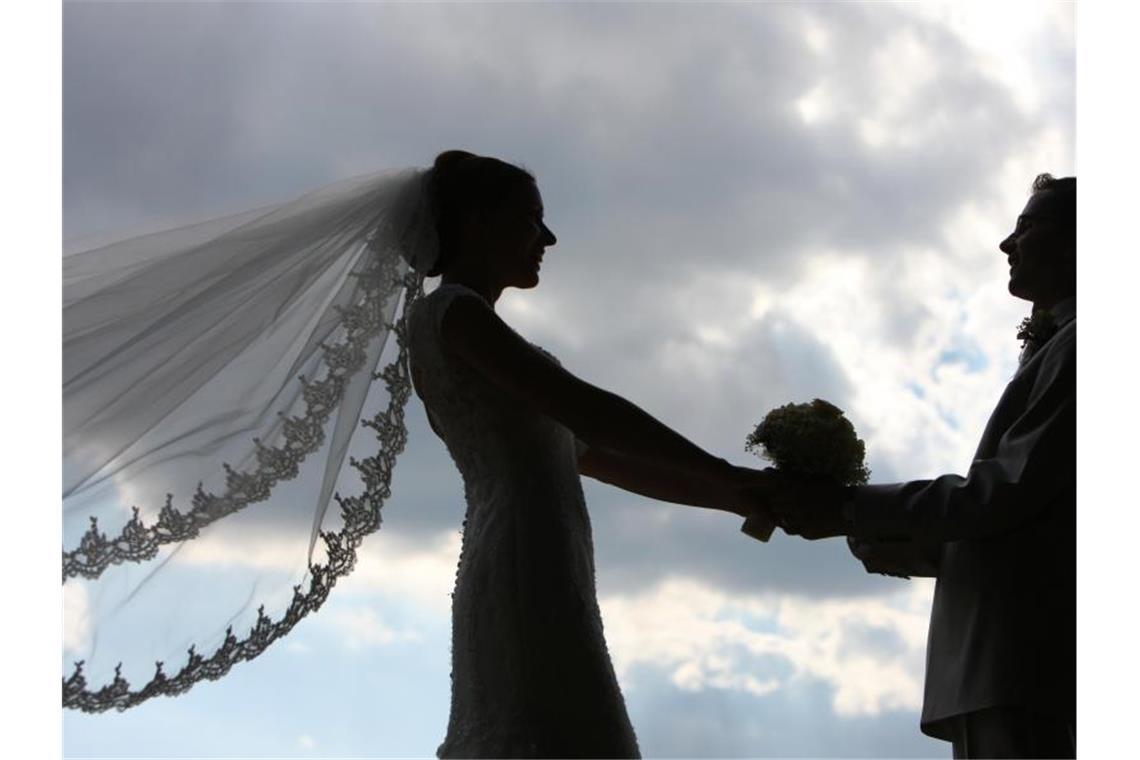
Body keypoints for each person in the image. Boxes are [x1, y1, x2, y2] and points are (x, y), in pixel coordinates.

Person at [407, 150, 772, 758]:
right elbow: (586, 410)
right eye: (531, 219)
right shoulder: (451, 314)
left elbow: (599, 456)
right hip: (525, 559)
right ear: (475, 222)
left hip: (541, 555)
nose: (547, 238)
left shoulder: (469, 326)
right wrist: (725, 470)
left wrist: (737, 496)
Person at [764, 174, 1076, 758]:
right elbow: (1031, 520)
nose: (1007, 246)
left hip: (1020, 661)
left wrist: (849, 506)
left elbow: (1006, 494)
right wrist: (888, 537)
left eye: (1028, 228)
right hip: (1001, 666)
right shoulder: (1061, 344)